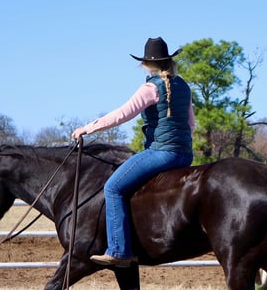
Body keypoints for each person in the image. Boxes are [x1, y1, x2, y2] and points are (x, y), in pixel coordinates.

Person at [72, 37, 195, 267]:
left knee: (113, 187)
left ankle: (119, 249)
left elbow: (121, 114)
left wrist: (87, 129)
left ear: (146, 64)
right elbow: (190, 125)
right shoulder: (184, 86)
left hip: (161, 152)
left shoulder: (150, 88)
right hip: (185, 155)